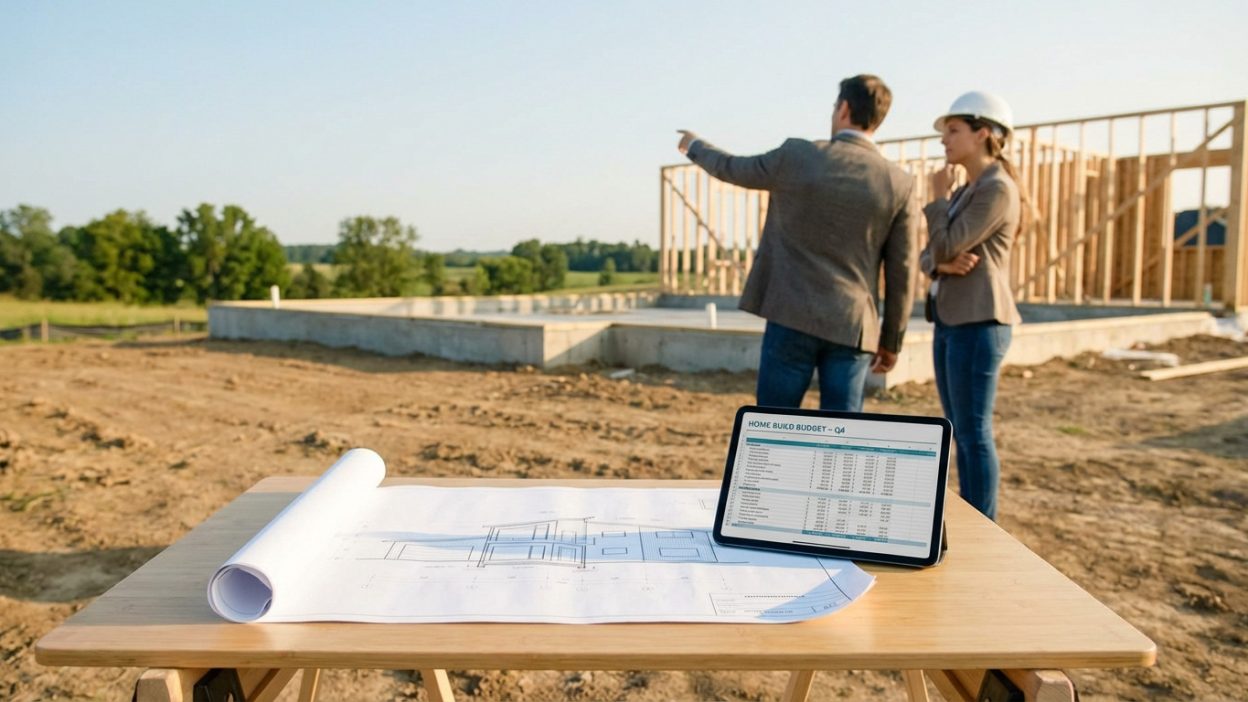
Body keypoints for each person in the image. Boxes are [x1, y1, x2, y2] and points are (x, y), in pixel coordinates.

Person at [676, 74, 918, 412]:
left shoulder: (796, 156)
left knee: (774, 431)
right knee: (841, 439)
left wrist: (695, 146)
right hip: (852, 327)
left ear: (844, 108)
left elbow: (733, 168)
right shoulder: (900, 184)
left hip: (790, 315)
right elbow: (902, 271)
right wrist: (891, 340)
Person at [921, 91, 1027, 521]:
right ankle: (975, 518)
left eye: (953, 130)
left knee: (974, 432)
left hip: (980, 322)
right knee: (960, 431)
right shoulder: (970, 190)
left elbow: (943, 242)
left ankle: (984, 525)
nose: (944, 139)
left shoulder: (997, 189)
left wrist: (935, 199)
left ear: (983, 133)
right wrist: (942, 264)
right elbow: (932, 257)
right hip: (952, 320)